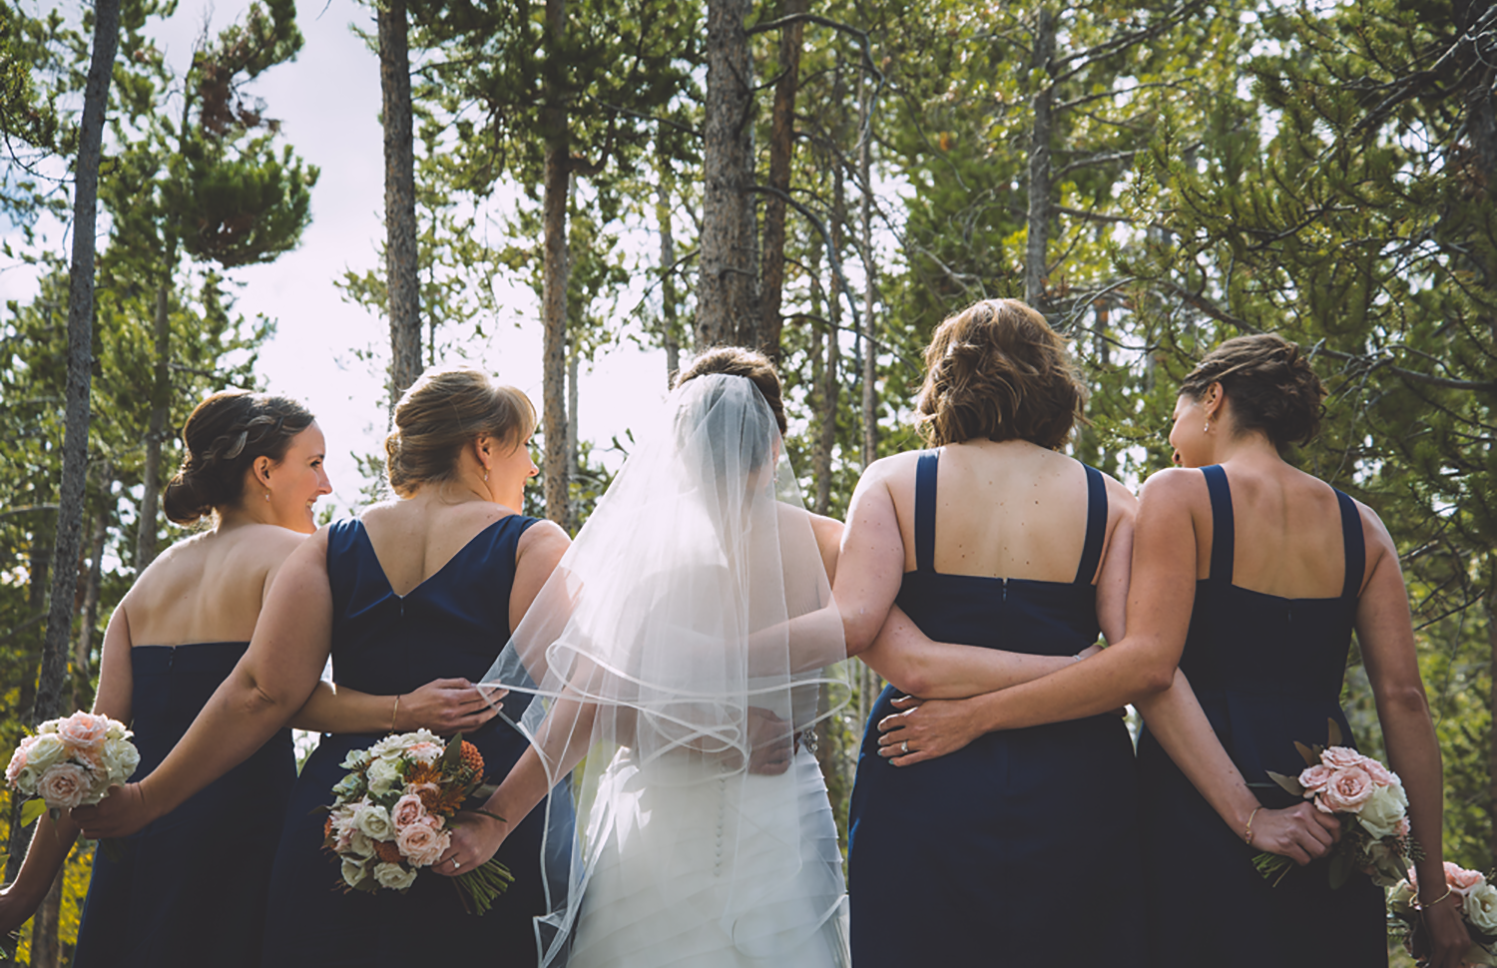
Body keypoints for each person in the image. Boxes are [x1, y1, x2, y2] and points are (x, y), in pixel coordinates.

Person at [878, 333, 1470, 967]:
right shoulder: (1364, 528)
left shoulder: (1181, 494)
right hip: (1330, 803)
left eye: (1176, 419)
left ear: (1213, 399)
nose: (1172, 443)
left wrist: (973, 715)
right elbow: (1405, 701)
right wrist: (1432, 894)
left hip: (1199, 789)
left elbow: (1149, 665)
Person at [73, 368, 571, 967]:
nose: (533, 468)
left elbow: (260, 691)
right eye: (525, 449)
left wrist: (149, 799)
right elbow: (578, 700)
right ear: (484, 448)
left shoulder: (329, 547)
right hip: (479, 830)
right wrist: (494, 819)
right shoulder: (532, 544)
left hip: (338, 833)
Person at [437, 349, 852, 968]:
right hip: (778, 812)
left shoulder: (642, 559)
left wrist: (499, 816)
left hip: (659, 823)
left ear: (677, 448)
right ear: (774, 448)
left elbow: (584, 702)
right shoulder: (831, 544)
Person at [828, 299, 1143, 966]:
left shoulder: (890, 483)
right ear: (1051, 380)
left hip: (919, 759)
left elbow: (855, 622)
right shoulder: (1114, 501)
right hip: (1076, 771)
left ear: (945, 378)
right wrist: (1077, 666)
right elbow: (1130, 661)